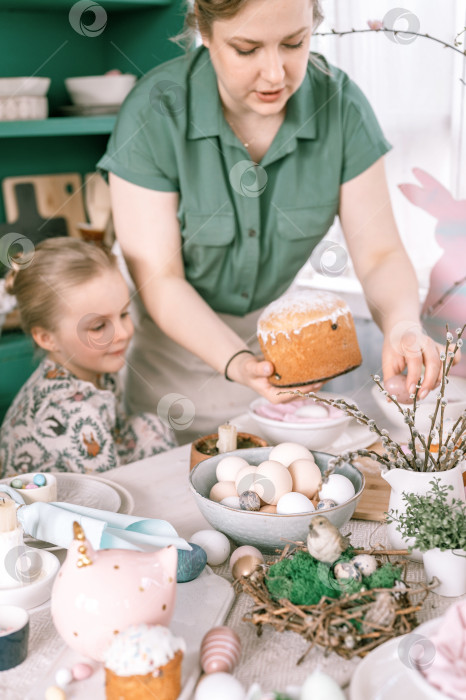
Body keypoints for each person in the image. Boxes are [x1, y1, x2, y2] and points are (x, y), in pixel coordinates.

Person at [97, 0, 447, 444]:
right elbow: (161, 281)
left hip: (281, 379)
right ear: (205, 32)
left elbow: (378, 253)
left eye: (294, 43)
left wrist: (402, 324)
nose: (276, 74)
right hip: (171, 381)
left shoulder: (339, 107)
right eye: (246, 49)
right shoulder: (154, 111)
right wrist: (240, 363)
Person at [0, 238, 175, 477]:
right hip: (54, 504)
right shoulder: (74, 414)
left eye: (124, 314)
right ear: (46, 338)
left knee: (151, 428)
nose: (123, 333)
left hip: (95, 462)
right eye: (98, 326)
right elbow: (104, 498)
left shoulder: (93, 368)